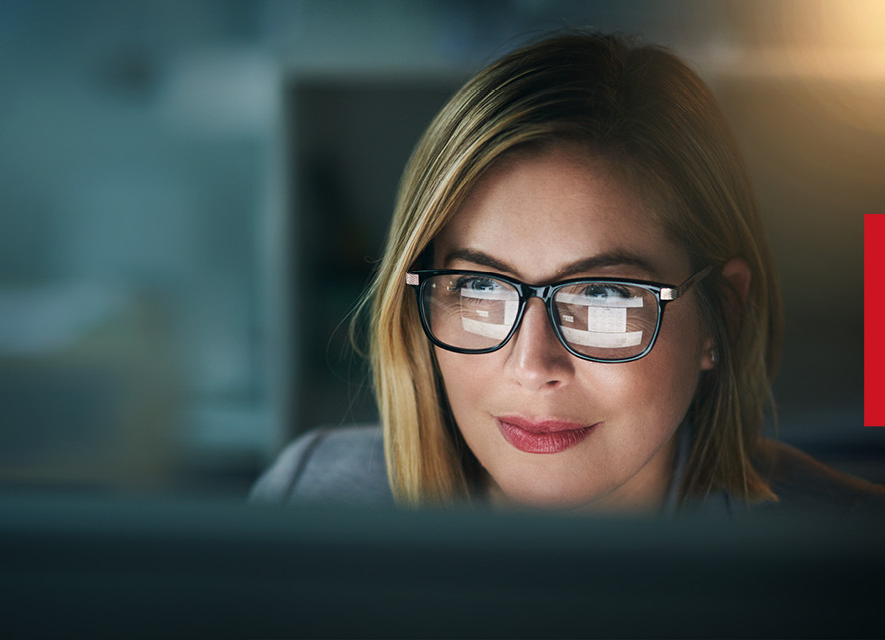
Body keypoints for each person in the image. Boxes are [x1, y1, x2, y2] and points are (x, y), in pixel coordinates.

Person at [250, 31, 884, 515]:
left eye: (604, 295)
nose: (532, 364)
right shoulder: (312, 500)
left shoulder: (846, 550)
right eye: (478, 287)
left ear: (724, 315)